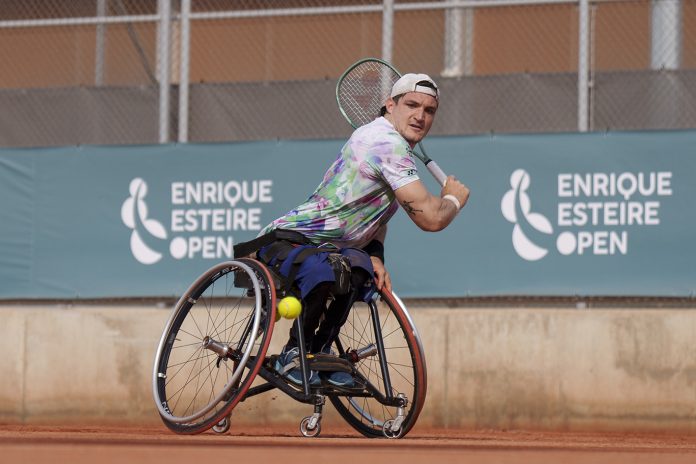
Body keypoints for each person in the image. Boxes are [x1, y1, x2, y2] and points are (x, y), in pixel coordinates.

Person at [255, 72, 469, 388]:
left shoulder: (396, 146)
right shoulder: (386, 143)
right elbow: (431, 219)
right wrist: (453, 199)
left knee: (358, 270)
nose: (420, 116)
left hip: (331, 250)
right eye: (411, 105)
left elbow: (376, 217)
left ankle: (319, 352)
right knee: (329, 269)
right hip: (287, 241)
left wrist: (374, 255)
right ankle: (294, 354)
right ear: (389, 104)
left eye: (429, 110)